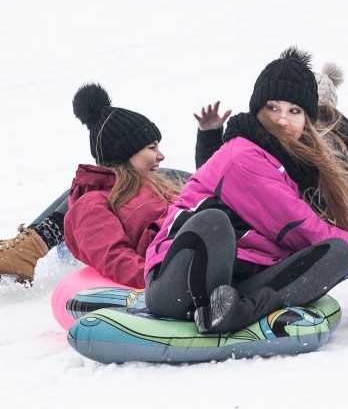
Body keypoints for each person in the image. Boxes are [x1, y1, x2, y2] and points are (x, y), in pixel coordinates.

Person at [144, 47, 348, 334]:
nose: (282, 119)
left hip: (236, 283)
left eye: (294, 111)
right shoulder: (241, 156)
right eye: (273, 108)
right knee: (213, 223)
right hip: (178, 283)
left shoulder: (291, 165)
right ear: (258, 109)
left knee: (338, 251)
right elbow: (300, 228)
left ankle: (233, 314)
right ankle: (220, 308)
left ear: (307, 119)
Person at [0, 89, 229, 285]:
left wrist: (209, 138)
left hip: (202, 251)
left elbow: (208, 191)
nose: (161, 155)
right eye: (151, 147)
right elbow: (116, 258)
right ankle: (27, 248)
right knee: (92, 189)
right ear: (125, 151)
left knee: (158, 177)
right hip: (157, 263)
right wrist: (161, 282)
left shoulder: (159, 186)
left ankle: (29, 246)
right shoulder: (94, 204)